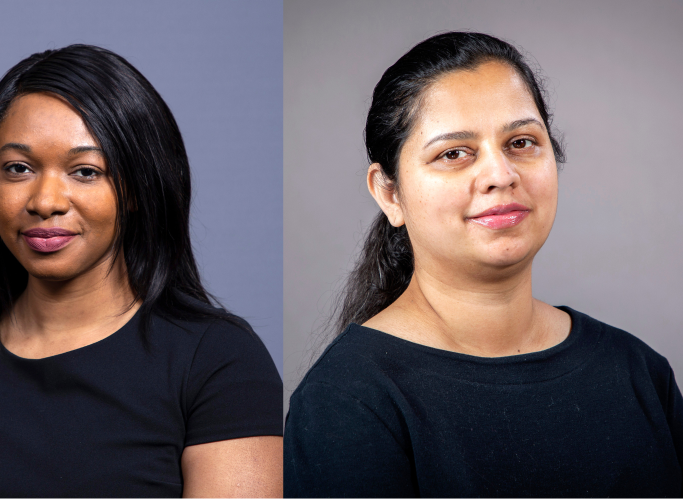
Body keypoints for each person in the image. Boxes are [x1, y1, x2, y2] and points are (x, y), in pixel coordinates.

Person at [284, 32, 683, 497]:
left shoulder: (638, 372)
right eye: (454, 153)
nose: (500, 174)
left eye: (521, 142)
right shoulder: (346, 402)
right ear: (389, 193)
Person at [0, 44, 282, 497]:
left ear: (137, 189)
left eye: (86, 171)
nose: (45, 201)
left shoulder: (218, 362)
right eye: (18, 168)